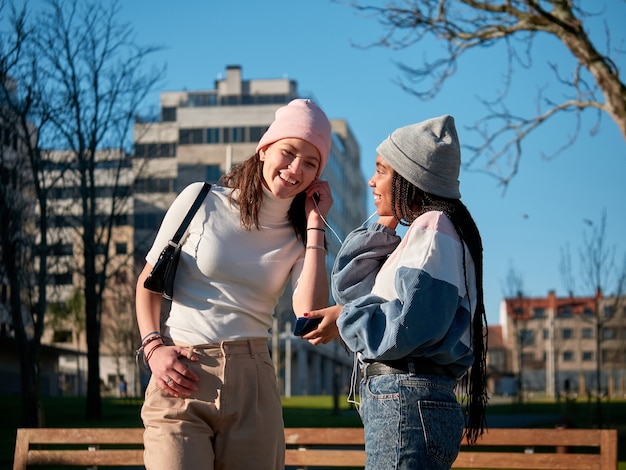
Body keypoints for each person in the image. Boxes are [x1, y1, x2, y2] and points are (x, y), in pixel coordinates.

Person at [135, 98, 333, 470]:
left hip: (253, 381)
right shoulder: (201, 200)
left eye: (311, 163)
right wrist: (152, 348)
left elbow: (308, 312)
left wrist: (315, 224)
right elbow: (148, 283)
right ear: (263, 149)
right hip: (183, 372)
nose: (295, 169)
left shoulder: (299, 237)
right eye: (288, 153)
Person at [303, 115, 488, 470]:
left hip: (407, 398)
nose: (371, 181)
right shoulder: (426, 231)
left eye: (382, 171)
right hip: (406, 399)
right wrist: (385, 222)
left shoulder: (434, 229)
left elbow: (408, 326)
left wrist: (345, 318)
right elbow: (349, 292)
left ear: (410, 178)